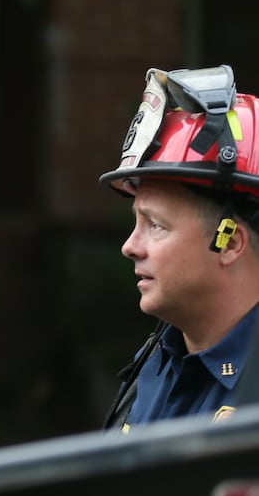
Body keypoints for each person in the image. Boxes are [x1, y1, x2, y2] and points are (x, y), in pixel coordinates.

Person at [102, 64, 259, 430]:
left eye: (156, 225)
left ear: (229, 242)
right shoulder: (157, 361)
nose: (130, 246)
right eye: (136, 222)